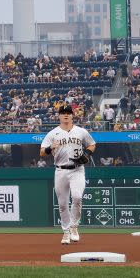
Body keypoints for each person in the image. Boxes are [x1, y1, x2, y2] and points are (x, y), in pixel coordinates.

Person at [40, 104, 96, 245]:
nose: (66, 115)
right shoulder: (53, 133)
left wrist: (87, 153)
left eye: (68, 113)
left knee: (77, 197)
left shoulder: (81, 131)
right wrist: (49, 148)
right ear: (59, 116)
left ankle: (74, 227)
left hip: (77, 169)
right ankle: (65, 232)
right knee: (63, 204)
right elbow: (41, 152)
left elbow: (92, 144)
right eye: (63, 113)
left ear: (72, 115)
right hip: (61, 170)